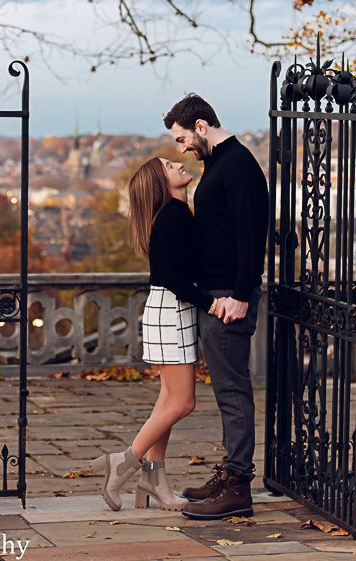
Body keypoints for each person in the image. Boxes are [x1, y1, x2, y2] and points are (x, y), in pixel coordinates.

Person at [90, 156, 224, 512]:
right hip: (171, 311)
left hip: (167, 310)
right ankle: (124, 462)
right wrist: (211, 305)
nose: (179, 164)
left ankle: (153, 478)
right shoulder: (174, 217)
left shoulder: (174, 214)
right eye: (169, 165)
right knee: (183, 402)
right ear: (160, 183)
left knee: (167, 401)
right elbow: (176, 280)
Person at [164, 93, 269, 520]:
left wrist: (241, 296)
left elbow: (250, 235)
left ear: (202, 126)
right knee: (227, 390)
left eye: (183, 137)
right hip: (219, 293)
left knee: (232, 391)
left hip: (230, 296)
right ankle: (230, 474)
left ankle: (239, 486)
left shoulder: (238, 165)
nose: (182, 147)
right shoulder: (219, 165)